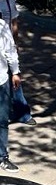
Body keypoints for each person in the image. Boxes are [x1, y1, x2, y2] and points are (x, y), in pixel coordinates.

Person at [0, 0, 35, 124]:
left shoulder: (9, 0)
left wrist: (15, 41)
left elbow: (14, 22)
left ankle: (22, 114)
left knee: (15, 79)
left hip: (6, 43)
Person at [0, 18, 21, 172]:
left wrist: (15, 72)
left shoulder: (1, 25)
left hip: (2, 80)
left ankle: (2, 157)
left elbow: (10, 50)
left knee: (2, 120)